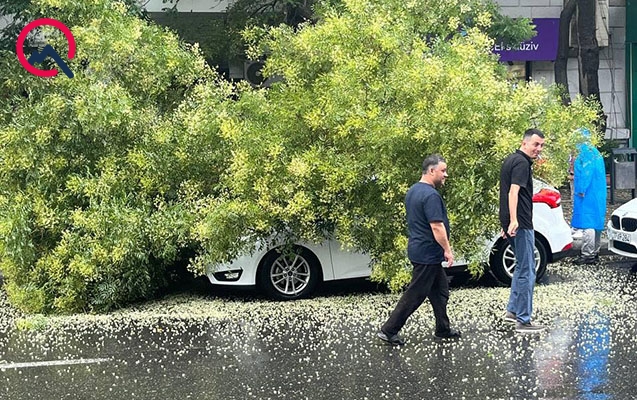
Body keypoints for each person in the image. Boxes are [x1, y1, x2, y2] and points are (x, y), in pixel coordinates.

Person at [377, 154, 461, 346]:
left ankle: (443, 329)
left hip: (421, 250)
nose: (446, 175)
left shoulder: (413, 191)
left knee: (440, 291)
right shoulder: (431, 195)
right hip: (427, 253)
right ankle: (389, 330)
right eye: (443, 171)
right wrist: (447, 250)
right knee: (416, 294)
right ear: (431, 171)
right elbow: (436, 226)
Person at [499, 128, 546, 334]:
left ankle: (512, 311)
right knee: (528, 270)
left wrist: (506, 222)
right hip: (522, 223)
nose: (539, 148)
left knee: (520, 266)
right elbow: (513, 192)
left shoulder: (511, 159)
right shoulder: (521, 163)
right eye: (536, 144)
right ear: (524, 143)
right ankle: (523, 320)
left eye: (541, 145)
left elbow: (504, 192)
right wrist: (514, 220)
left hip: (513, 222)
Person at [571, 128, 607, 264]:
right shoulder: (595, 152)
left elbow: (586, 173)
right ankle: (595, 252)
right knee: (596, 223)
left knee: (588, 223)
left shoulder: (585, 153)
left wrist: (581, 189)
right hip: (598, 193)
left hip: (587, 193)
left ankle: (587, 255)